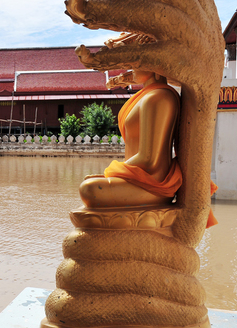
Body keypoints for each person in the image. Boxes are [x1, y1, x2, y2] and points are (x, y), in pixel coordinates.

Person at [78, 70, 217, 227]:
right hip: (138, 176)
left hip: (154, 182)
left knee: (88, 189)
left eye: (138, 64)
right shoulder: (148, 95)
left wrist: (110, 173)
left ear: (156, 68)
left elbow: (149, 159)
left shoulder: (158, 97)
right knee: (90, 184)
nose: (132, 69)